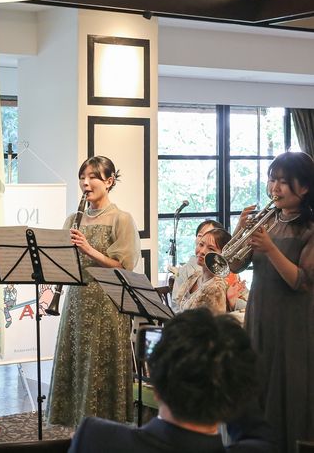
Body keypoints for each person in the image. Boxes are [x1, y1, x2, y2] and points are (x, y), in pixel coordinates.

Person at [68, 308, 277, 453]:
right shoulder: (260, 448)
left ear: (156, 387)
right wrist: (229, 381)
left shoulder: (96, 439)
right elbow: (257, 432)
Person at [48, 155, 141, 427]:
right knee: (77, 363)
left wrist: (88, 249)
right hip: (76, 302)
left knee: (101, 365)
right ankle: (79, 428)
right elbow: (62, 261)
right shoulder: (73, 219)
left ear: (109, 181)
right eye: (82, 178)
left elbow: (124, 266)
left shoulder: (121, 219)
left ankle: (105, 431)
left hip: (107, 303)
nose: (85, 183)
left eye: (92, 177)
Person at [242, 151, 314, 453]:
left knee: (288, 392)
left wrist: (270, 248)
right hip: (259, 316)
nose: (275, 188)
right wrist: (240, 230)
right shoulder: (267, 220)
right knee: (257, 387)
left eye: (284, 182)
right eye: (272, 179)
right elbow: (233, 265)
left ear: (305, 187)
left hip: (292, 324)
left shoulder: (309, 228)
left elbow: (301, 281)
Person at [173, 228, 246, 315]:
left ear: (223, 256)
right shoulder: (195, 276)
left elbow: (214, 322)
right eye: (201, 244)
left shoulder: (216, 288)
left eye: (211, 249)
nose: (202, 251)